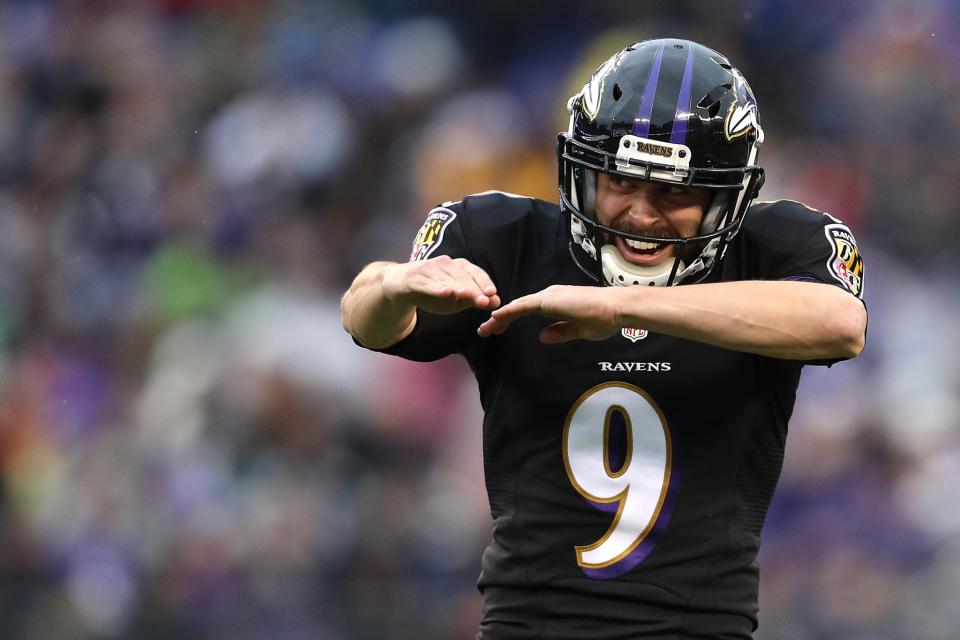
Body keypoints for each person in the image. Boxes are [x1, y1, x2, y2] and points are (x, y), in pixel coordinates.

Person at [341, 38, 867, 640]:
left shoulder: (773, 247)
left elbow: (840, 323)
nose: (641, 213)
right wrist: (394, 285)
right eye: (619, 181)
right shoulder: (507, 238)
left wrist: (617, 305)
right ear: (582, 171)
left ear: (726, 198)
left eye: (674, 191)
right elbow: (367, 322)